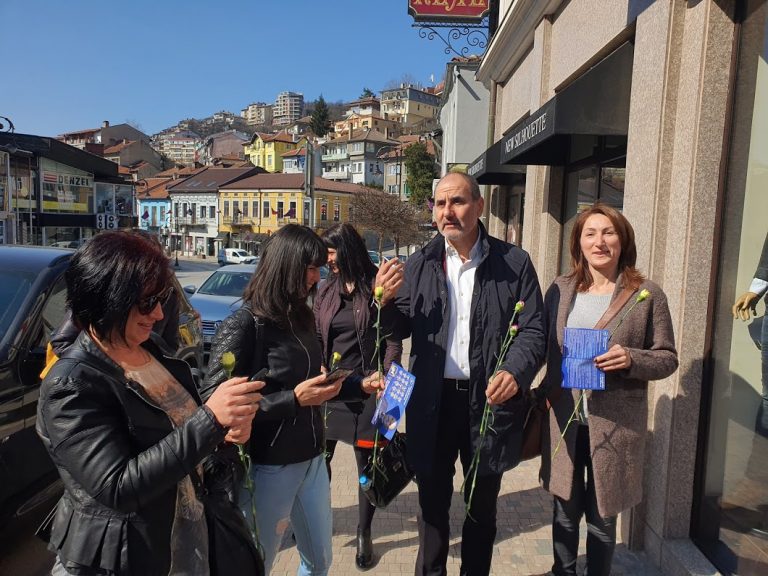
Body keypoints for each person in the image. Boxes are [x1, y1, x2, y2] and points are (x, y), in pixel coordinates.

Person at [36, 230, 263, 576]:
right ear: (107, 297)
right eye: (146, 302)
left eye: (162, 298)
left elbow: (184, 445)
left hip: (183, 543)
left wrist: (225, 437)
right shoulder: (71, 382)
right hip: (123, 559)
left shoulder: (152, 350)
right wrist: (210, 420)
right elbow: (117, 487)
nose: (158, 313)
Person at [375, 172, 546, 576]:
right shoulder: (418, 264)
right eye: (440, 204)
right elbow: (395, 330)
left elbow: (534, 330)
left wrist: (515, 372)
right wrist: (383, 302)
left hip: (487, 404)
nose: (447, 212)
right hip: (431, 404)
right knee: (431, 509)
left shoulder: (514, 263)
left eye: (457, 202)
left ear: (479, 206)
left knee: (480, 509)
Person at [202, 224, 382, 576]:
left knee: (319, 562)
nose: (317, 278)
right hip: (270, 466)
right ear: (286, 265)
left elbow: (314, 385)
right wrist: (293, 400)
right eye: (311, 268)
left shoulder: (300, 318)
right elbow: (214, 410)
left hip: (313, 459)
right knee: (256, 565)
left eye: (319, 268)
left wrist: (359, 385)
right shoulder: (245, 324)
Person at [539, 204, 678, 576]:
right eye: (590, 233)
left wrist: (631, 358)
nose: (599, 242)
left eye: (608, 232)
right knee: (564, 511)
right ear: (578, 243)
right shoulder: (560, 289)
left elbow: (667, 358)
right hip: (565, 421)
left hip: (615, 424)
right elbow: (541, 346)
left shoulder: (646, 294)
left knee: (602, 519)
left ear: (623, 240)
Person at [313, 222, 402, 569]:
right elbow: (317, 335)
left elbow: (393, 339)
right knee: (319, 463)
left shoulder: (376, 286)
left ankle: (364, 532)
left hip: (370, 389)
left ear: (347, 249)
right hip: (333, 387)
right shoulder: (325, 290)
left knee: (368, 469)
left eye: (331, 252)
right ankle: (318, 520)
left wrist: (388, 374)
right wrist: (317, 364)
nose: (327, 260)